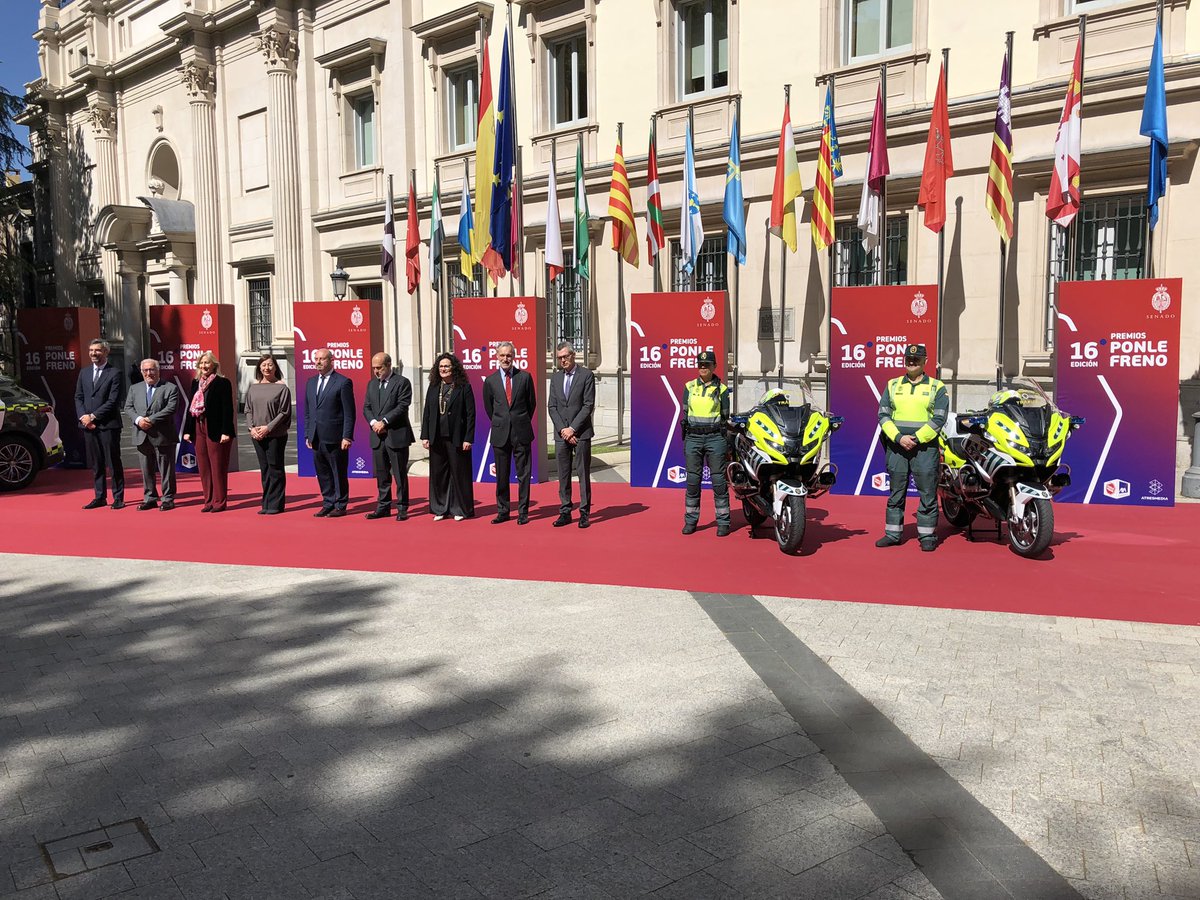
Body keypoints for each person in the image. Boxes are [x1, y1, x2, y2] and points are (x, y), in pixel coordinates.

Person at [876, 343, 948, 552]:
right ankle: (893, 533)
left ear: (925, 361)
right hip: (898, 447)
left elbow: (939, 418)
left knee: (927, 492)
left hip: (925, 448)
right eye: (908, 358)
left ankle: (927, 536)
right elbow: (883, 415)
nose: (912, 361)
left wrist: (915, 438)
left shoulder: (937, 386)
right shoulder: (892, 385)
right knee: (896, 492)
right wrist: (899, 438)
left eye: (917, 359)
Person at [482, 341, 536, 525]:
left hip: (521, 432)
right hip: (500, 433)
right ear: (496, 357)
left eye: (509, 355)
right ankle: (503, 511)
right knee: (502, 475)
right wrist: (501, 422)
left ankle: (523, 512)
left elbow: (531, 405)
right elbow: (489, 408)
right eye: (502, 355)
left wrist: (519, 420)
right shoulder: (490, 381)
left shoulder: (525, 377)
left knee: (523, 475)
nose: (506, 358)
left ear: (514, 357)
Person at [681, 350, 731, 537]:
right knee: (693, 481)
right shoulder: (689, 387)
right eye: (700, 364)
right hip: (693, 438)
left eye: (707, 364)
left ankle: (723, 522)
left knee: (719, 481)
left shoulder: (723, 389)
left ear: (714, 366)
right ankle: (691, 520)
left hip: (715, 438)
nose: (703, 367)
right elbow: (686, 413)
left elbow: (725, 415)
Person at [421, 352, 475, 521]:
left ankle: (460, 509)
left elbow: (470, 414)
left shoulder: (464, 387)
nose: (443, 369)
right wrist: (425, 435)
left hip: (457, 437)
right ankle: (440, 508)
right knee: (439, 474)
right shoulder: (434, 386)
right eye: (441, 366)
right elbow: (427, 413)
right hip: (437, 437)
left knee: (459, 473)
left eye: (447, 366)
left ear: (454, 368)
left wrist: (468, 438)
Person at [547, 341, 595, 529]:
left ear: (573, 355)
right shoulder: (556, 378)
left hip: (581, 433)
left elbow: (588, 405)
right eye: (559, 358)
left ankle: (584, 513)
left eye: (565, 356)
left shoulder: (586, 375)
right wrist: (563, 430)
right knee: (563, 475)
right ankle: (565, 511)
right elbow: (552, 407)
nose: (563, 360)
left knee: (583, 474)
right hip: (561, 435)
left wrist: (572, 429)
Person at [123, 358, 181, 510]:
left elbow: (171, 408)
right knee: (146, 469)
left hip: (163, 435)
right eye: (146, 370)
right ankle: (150, 498)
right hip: (141, 434)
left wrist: (150, 419)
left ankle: (168, 498)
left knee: (166, 470)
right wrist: (138, 420)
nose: (149, 373)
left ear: (158, 371)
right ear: (141, 372)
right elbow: (128, 407)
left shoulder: (170, 388)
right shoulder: (135, 388)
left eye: (152, 370)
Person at [304, 347, 356, 518]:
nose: (318, 362)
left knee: (338, 472)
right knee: (323, 472)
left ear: (331, 361)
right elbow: (308, 412)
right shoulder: (311, 382)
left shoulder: (342, 382)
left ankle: (341, 504)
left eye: (322, 359)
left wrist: (347, 436)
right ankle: (328, 502)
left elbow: (349, 412)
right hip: (316, 437)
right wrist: (307, 434)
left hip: (335, 437)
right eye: (316, 359)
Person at [74, 339, 125, 509]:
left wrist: (93, 416)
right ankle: (99, 496)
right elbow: (78, 397)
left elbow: (113, 401)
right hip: (87, 426)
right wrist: (83, 417)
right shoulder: (84, 373)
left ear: (106, 352)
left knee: (113, 463)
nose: (93, 353)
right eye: (91, 350)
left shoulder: (115, 373)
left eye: (97, 350)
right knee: (96, 464)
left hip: (108, 425)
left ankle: (118, 497)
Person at [363, 352, 414, 521]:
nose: (376, 371)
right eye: (374, 368)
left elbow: (402, 406)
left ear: (389, 365)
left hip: (395, 435)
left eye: (379, 368)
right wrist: (373, 423)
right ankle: (383, 506)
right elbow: (367, 408)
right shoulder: (372, 384)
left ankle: (402, 507)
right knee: (382, 474)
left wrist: (384, 422)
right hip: (377, 436)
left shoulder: (402, 383)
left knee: (399, 474)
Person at [183, 351, 236, 512]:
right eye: (201, 363)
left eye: (207, 363)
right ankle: (208, 501)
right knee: (204, 466)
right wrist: (187, 430)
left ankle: (219, 502)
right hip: (198, 427)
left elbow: (228, 408)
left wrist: (226, 431)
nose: (204, 366)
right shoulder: (195, 383)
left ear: (214, 365)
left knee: (217, 466)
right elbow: (190, 408)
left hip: (216, 428)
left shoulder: (222, 382)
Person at [244, 352, 292, 516]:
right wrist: (252, 428)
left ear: (275, 367)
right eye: (264, 365)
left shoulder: (282, 388)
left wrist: (267, 428)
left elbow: (284, 412)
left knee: (275, 468)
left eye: (270, 365)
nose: (267, 367)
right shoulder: (253, 388)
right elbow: (248, 410)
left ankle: (276, 504)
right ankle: (266, 502)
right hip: (257, 435)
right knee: (264, 469)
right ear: (259, 368)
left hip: (275, 435)